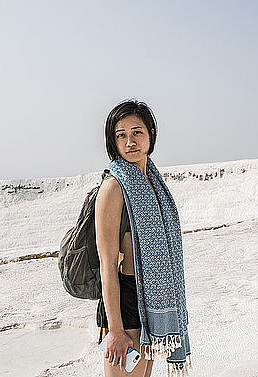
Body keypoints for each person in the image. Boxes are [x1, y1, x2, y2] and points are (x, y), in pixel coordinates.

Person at [95, 99, 192, 377]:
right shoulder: (114, 187)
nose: (130, 142)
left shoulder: (153, 183)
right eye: (120, 135)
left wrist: (174, 304)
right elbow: (107, 266)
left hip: (150, 299)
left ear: (151, 134)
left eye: (137, 132)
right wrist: (114, 330)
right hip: (125, 302)